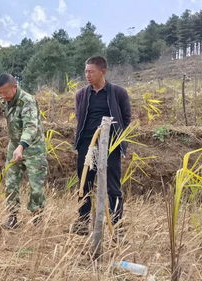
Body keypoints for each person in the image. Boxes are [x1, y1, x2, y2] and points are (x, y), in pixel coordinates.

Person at [72, 56, 131, 236]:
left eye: (91, 71)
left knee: (113, 187)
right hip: (87, 147)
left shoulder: (118, 93)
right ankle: (82, 224)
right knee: (84, 185)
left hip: (110, 147)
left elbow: (126, 118)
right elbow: (79, 117)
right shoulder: (82, 94)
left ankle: (116, 225)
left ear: (102, 72)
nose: (87, 75)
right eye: (86, 71)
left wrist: (115, 138)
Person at [0, 73, 48, 229]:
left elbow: (31, 126)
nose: (3, 96)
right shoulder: (5, 101)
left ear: (15, 87)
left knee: (36, 186)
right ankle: (12, 217)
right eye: (0, 93)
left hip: (33, 148)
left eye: (5, 92)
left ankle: (37, 217)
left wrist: (22, 146)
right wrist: (16, 145)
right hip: (14, 146)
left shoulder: (28, 101)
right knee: (10, 183)